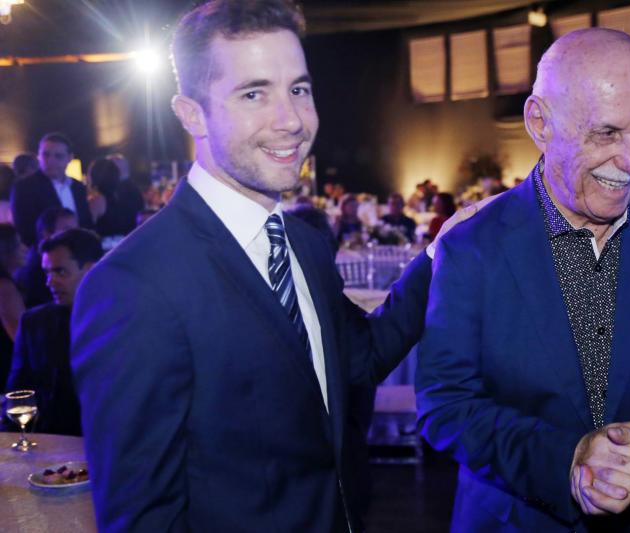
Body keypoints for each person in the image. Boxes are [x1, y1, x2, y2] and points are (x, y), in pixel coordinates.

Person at [70, 2, 479, 531]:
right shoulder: (133, 287)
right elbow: (143, 518)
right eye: (254, 94)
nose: (292, 121)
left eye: (299, 89)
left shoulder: (304, 244)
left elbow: (360, 359)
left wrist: (437, 254)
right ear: (192, 114)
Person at [416, 28, 630, 532]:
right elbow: (445, 404)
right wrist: (570, 459)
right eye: (606, 133)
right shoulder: (471, 246)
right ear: (540, 122)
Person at [5, 229, 102, 435]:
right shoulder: (34, 323)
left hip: (100, 438)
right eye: (47, 272)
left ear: (91, 270)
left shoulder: (115, 321)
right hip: (46, 440)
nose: (50, 281)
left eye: (60, 272)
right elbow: (17, 391)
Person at [10, 132, 93, 246]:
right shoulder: (25, 187)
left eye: (58, 156)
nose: (50, 160)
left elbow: (86, 222)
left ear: (70, 158)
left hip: (79, 250)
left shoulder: (78, 187)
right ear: (39, 155)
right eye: (46, 155)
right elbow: (25, 230)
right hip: (45, 253)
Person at [15, 207, 78, 309]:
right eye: (68, 231)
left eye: (76, 230)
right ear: (47, 234)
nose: (76, 236)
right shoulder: (36, 270)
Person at [87, 158, 143, 238]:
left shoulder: (97, 201)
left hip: (106, 244)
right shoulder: (125, 194)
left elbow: (87, 231)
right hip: (128, 241)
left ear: (95, 176)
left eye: (89, 173)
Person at [0, 224, 26, 389]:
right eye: (18, 244)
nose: (24, 248)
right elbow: (20, 336)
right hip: (7, 372)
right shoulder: (4, 288)